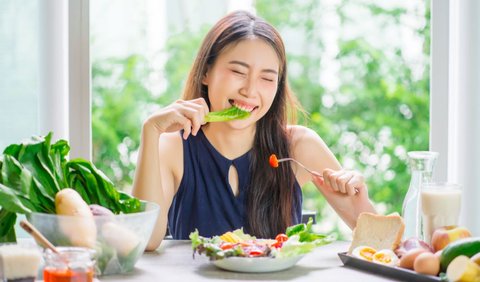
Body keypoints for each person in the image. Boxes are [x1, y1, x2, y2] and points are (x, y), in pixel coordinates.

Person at [132, 10, 376, 251]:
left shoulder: (299, 146)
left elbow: (380, 245)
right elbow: (145, 241)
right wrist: (151, 131)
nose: (250, 91)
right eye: (238, 72)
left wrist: (358, 199)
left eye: (267, 78)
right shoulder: (173, 146)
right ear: (206, 72)